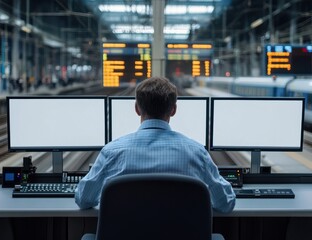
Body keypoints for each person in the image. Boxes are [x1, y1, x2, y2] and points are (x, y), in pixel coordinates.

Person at [75, 76, 235, 213]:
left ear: (137, 109)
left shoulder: (112, 152)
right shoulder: (197, 152)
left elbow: (83, 199)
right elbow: (225, 204)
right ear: (173, 110)